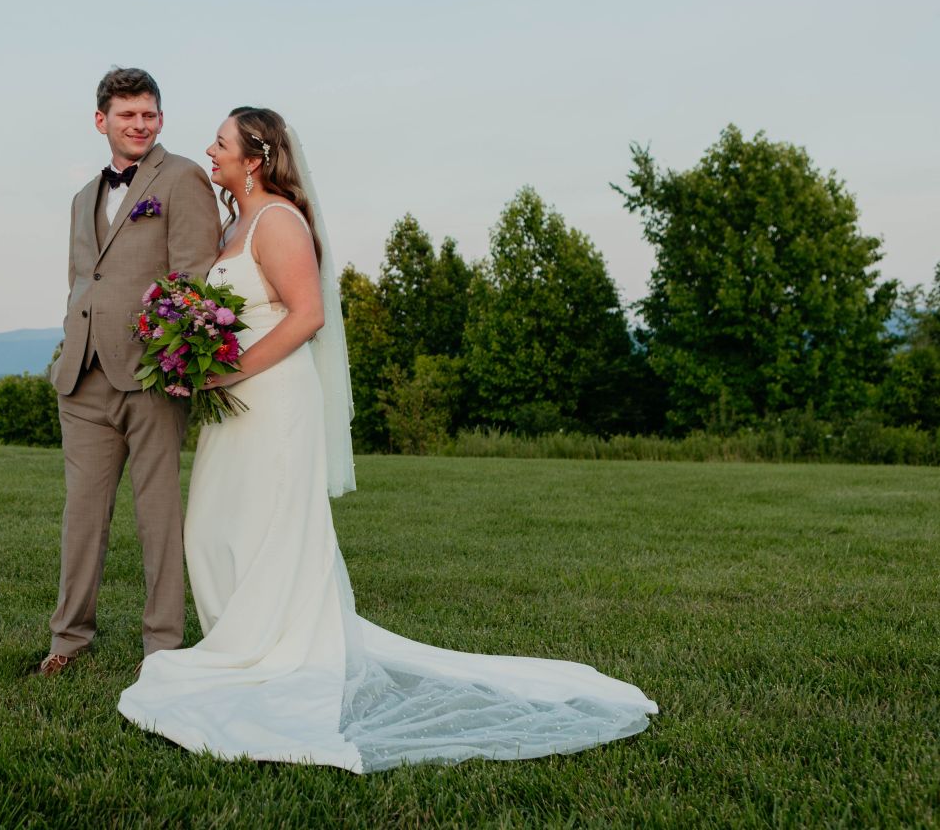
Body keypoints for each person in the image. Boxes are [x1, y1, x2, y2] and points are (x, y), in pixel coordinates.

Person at [117, 107, 657, 771]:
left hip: (274, 397)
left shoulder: (279, 219)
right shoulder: (235, 224)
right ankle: (240, 641)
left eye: (221, 142)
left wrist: (231, 369)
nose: (210, 149)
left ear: (254, 158)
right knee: (214, 525)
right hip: (236, 404)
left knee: (267, 523)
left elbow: (308, 315)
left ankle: (274, 651)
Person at [39, 68, 221, 676]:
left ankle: (162, 648)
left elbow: (194, 276)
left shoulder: (183, 177)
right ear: (102, 121)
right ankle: (68, 641)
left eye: (149, 114)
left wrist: (171, 357)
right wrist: (70, 345)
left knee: (157, 516)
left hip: (150, 376)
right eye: (127, 115)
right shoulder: (82, 197)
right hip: (82, 378)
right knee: (82, 517)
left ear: (160, 118)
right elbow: (82, 280)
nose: (140, 125)